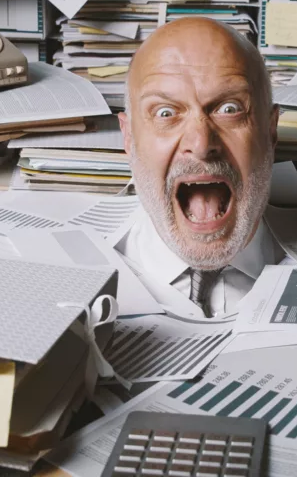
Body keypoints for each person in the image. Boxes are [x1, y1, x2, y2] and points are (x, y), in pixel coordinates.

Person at [116, 17, 285, 318]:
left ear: (271, 130)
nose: (201, 143)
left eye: (229, 109)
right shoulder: (76, 277)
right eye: (165, 113)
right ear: (128, 136)